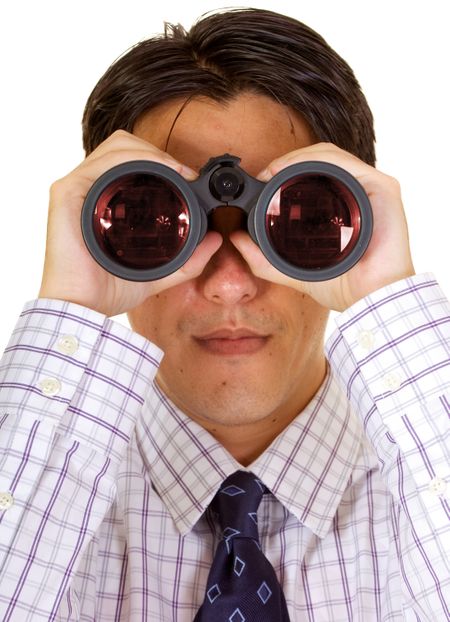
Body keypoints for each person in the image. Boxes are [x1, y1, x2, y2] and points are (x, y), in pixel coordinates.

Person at [0, 7, 448, 621]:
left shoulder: (426, 478)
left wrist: (388, 295)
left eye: (304, 221)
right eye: (157, 223)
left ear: (356, 222)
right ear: (101, 239)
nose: (231, 284)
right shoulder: (35, 491)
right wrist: (72, 305)